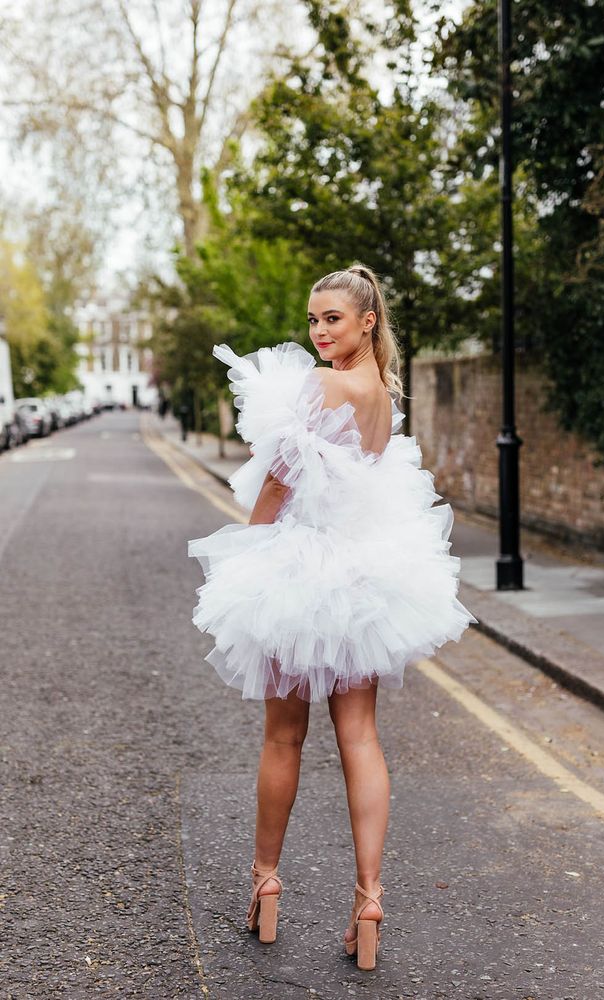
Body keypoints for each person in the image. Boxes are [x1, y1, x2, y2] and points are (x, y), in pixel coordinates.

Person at [188, 262, 477, 971]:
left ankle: (265, 883)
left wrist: (245, 559)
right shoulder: (379, 392)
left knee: (284, 739)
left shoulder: (319, 386)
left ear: (366, 321)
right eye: (313, 320)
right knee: (361, 738)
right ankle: (369, 898)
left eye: (332, 320)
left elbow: (280, 484)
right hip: (363, 580)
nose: (318, 332)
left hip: (300, 574)